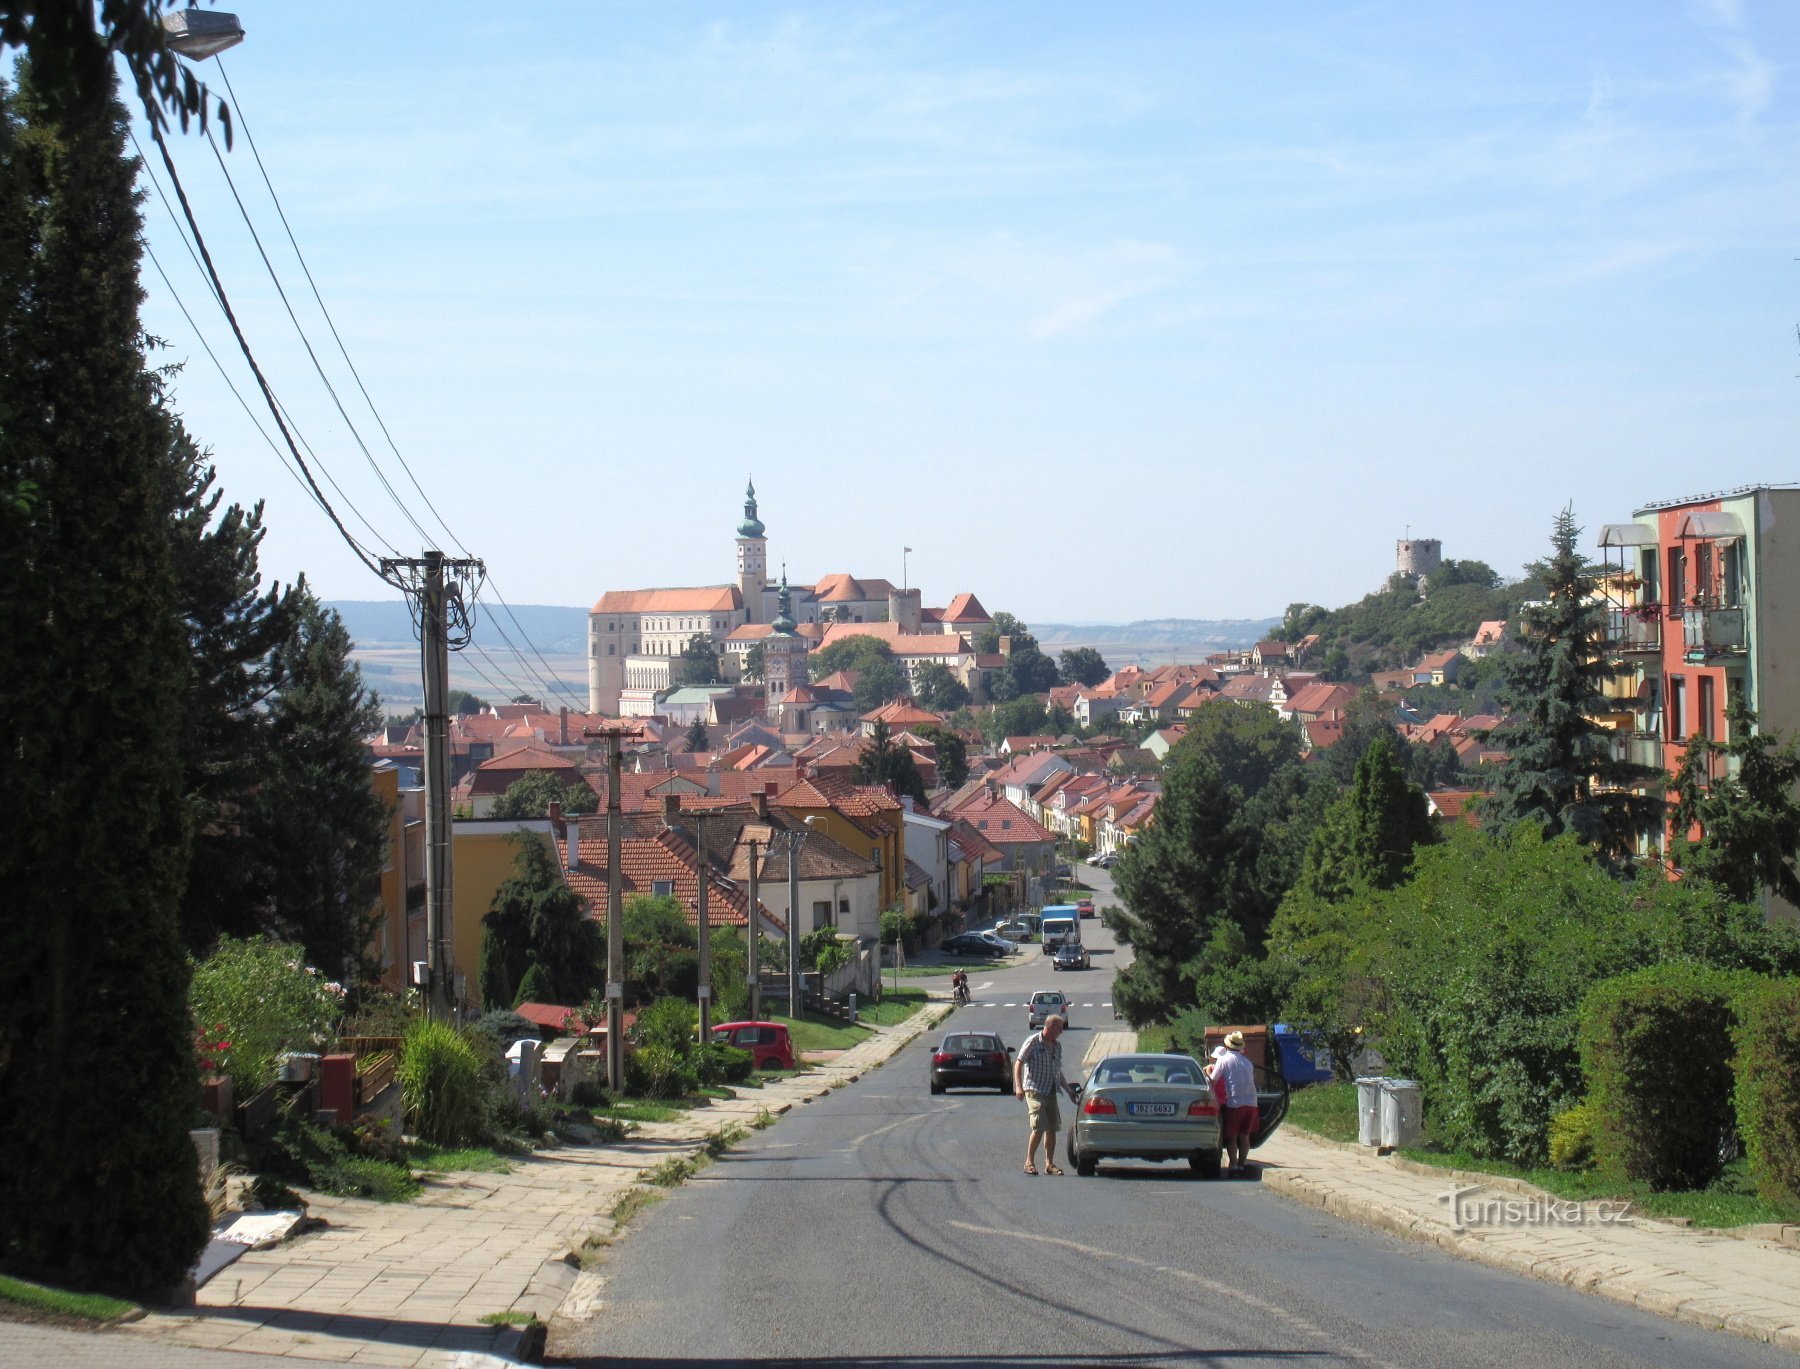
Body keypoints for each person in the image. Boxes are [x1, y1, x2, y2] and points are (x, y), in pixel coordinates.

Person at [1014, 1013, 1075, 1175]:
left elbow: (1057, 1071)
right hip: (1034, 1089)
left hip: (1050, 1090)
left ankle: (1049, 1164)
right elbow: (1018, 1063)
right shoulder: (1033, 1042)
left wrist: (1069, 1091)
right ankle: (1029, 1162)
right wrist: (1018, 1087)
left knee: (1052, 1127)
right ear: (1049, 1026)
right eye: (1059, 1028)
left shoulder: (1057, 1046)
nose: (1061, 1031)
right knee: (1039, 1125)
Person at [1207, 1031, 1260, 1176]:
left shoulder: (1223, 1060)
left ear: (1227, 1045)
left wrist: (1206, 1073)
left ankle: (1234, 1166)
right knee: (1245, 1136)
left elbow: (1213, 1080)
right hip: (1252, 1102)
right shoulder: (1247, 1062)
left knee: (1232, 1136)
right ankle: (1242, 1165)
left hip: (1235, 1102)